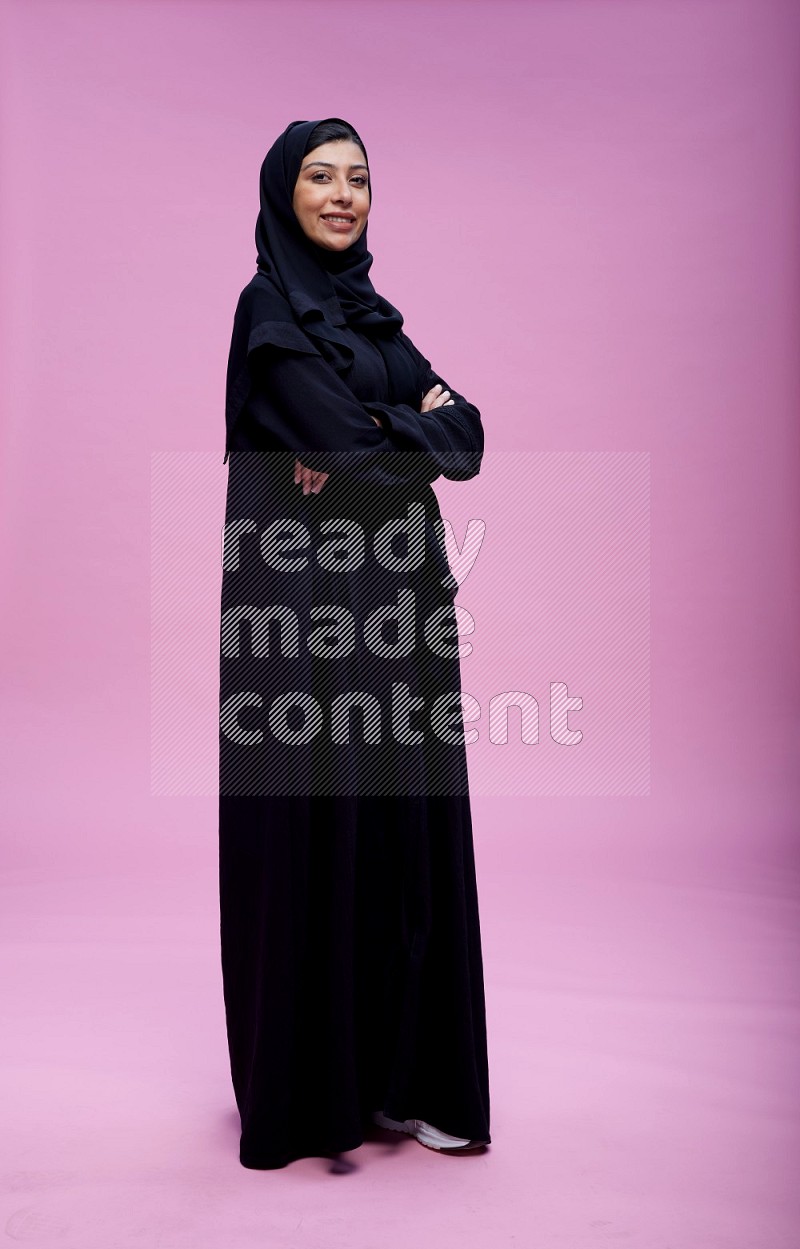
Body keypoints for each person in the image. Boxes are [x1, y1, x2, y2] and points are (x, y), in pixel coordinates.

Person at [218, 117, 491, 1170]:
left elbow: (465, 436)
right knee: (316, 832)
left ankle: (411, 1081)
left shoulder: (375, 318)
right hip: (304, 619)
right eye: (320, 178)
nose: (342, 195)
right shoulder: (265, 309)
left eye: (359, 179)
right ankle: (316, 1098)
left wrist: (388, 437)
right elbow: (336, 434)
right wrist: (398, 428)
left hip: (402, 609)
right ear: (284, 192)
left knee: (406, 831)